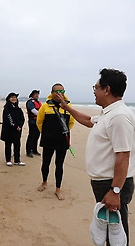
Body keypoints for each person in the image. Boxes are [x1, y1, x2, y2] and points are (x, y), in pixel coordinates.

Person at [58, 69, 135, 245]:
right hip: (105, 183)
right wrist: (66, 107)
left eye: (96, 87)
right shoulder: (108, 113)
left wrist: (115, 191)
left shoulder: (119, 116)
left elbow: (123, 155)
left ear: (106, 90)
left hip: (113, 184)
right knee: (106, 231)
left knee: (116, 235)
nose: (94, 91)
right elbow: (87, 121)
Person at [36, 84, 75, 200]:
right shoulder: (45, 106)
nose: (59, 93)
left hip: (63, 140)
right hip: (48, 139)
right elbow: (39, 122)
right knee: (45, 163)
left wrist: (63, 133)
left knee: (59, 165)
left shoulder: (68, 106)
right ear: (52, 93)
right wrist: (47, 133)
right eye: (57, 91)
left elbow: (71, 123)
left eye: (62, 91)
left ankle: (58, 188)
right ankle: (44, 182)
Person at [0, 92, 25, 166]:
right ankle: (8, 159)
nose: (14, 99)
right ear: (9, 99)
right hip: (9, 130)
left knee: (17, 145)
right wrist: (15, 126)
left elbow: (22, 118)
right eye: (12, 97)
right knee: (8, 145)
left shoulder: (18, 109)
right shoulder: (7, 109)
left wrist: (20, 126)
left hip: (18, 130)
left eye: (15, 97)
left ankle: (17, 160)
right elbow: (8, 119)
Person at [25, 90, 42, 158]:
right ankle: (28, 151)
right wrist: (42, 115)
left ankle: (34, 150)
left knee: (37, 136)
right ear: (32, 95)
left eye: (37, 94)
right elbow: (33, 111)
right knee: (31, 136)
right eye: (35, 94)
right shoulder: (30, 102)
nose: (37, 95)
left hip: (38, 122)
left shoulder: (39, 102)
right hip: (32, 121)